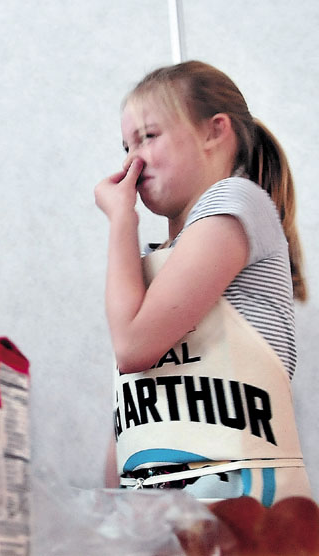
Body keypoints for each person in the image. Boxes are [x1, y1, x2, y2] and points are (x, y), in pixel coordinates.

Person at [95, 60, 311, 506]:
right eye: (126, 145)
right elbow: (133, 399)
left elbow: (133, 346)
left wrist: (121, 219)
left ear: (215, 132)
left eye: (149, 137)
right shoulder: (160, 258)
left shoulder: (237, 199)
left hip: (242, 500)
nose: (132, 160)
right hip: (163, 502)